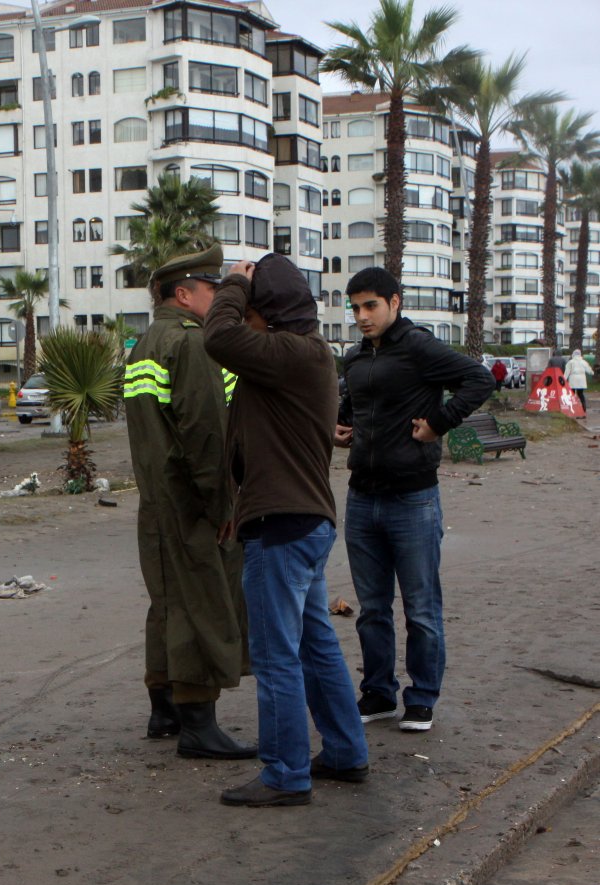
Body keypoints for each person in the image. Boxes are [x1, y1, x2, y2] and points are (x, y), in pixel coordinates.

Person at [204, 254, 369, 807]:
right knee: (315, 644)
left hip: (283, 528)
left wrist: (232, 284)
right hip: (300, 521)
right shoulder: (303, 355)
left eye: (251, 310)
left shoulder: (290, 352)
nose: (244, 320)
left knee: (277, 656)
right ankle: (345, 752)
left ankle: (284, 773)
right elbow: (251, 438)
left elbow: (219, 339)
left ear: (266, 313)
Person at [335, 267, 494, 732]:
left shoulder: (418, 346)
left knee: (421, 608)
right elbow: (354, 406)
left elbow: (478, 380)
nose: (362, 317)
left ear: (395, 303)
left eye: (371, 306)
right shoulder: (355, 357)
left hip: (413, 499)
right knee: (372, 609)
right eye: (356, 308)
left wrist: (440, 422)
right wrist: (343, 429)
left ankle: (421, 698)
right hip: (362, 497)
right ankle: (378, 694)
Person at [123, 244, 253, 761]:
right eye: (211, 288)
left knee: (168, 602)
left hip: (157, 501)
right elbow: (204, 434)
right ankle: (199, 721)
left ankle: (164, 707)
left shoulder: (145, 343)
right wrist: (222, 505)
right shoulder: (193, 345)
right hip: (194, 501)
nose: (217, 296)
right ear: (184, 294)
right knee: (202, 602)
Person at [564, 349, 593, 415]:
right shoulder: (583, 362)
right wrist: (592, 373)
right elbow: (589, 370)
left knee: (572, 394)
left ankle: (572, 408)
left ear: (573, 354)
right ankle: (584, 408)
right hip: (581, 380)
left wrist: (564, 379)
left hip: (573, 379)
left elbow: (567, 372)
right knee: (581, 394)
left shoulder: (571, 362)